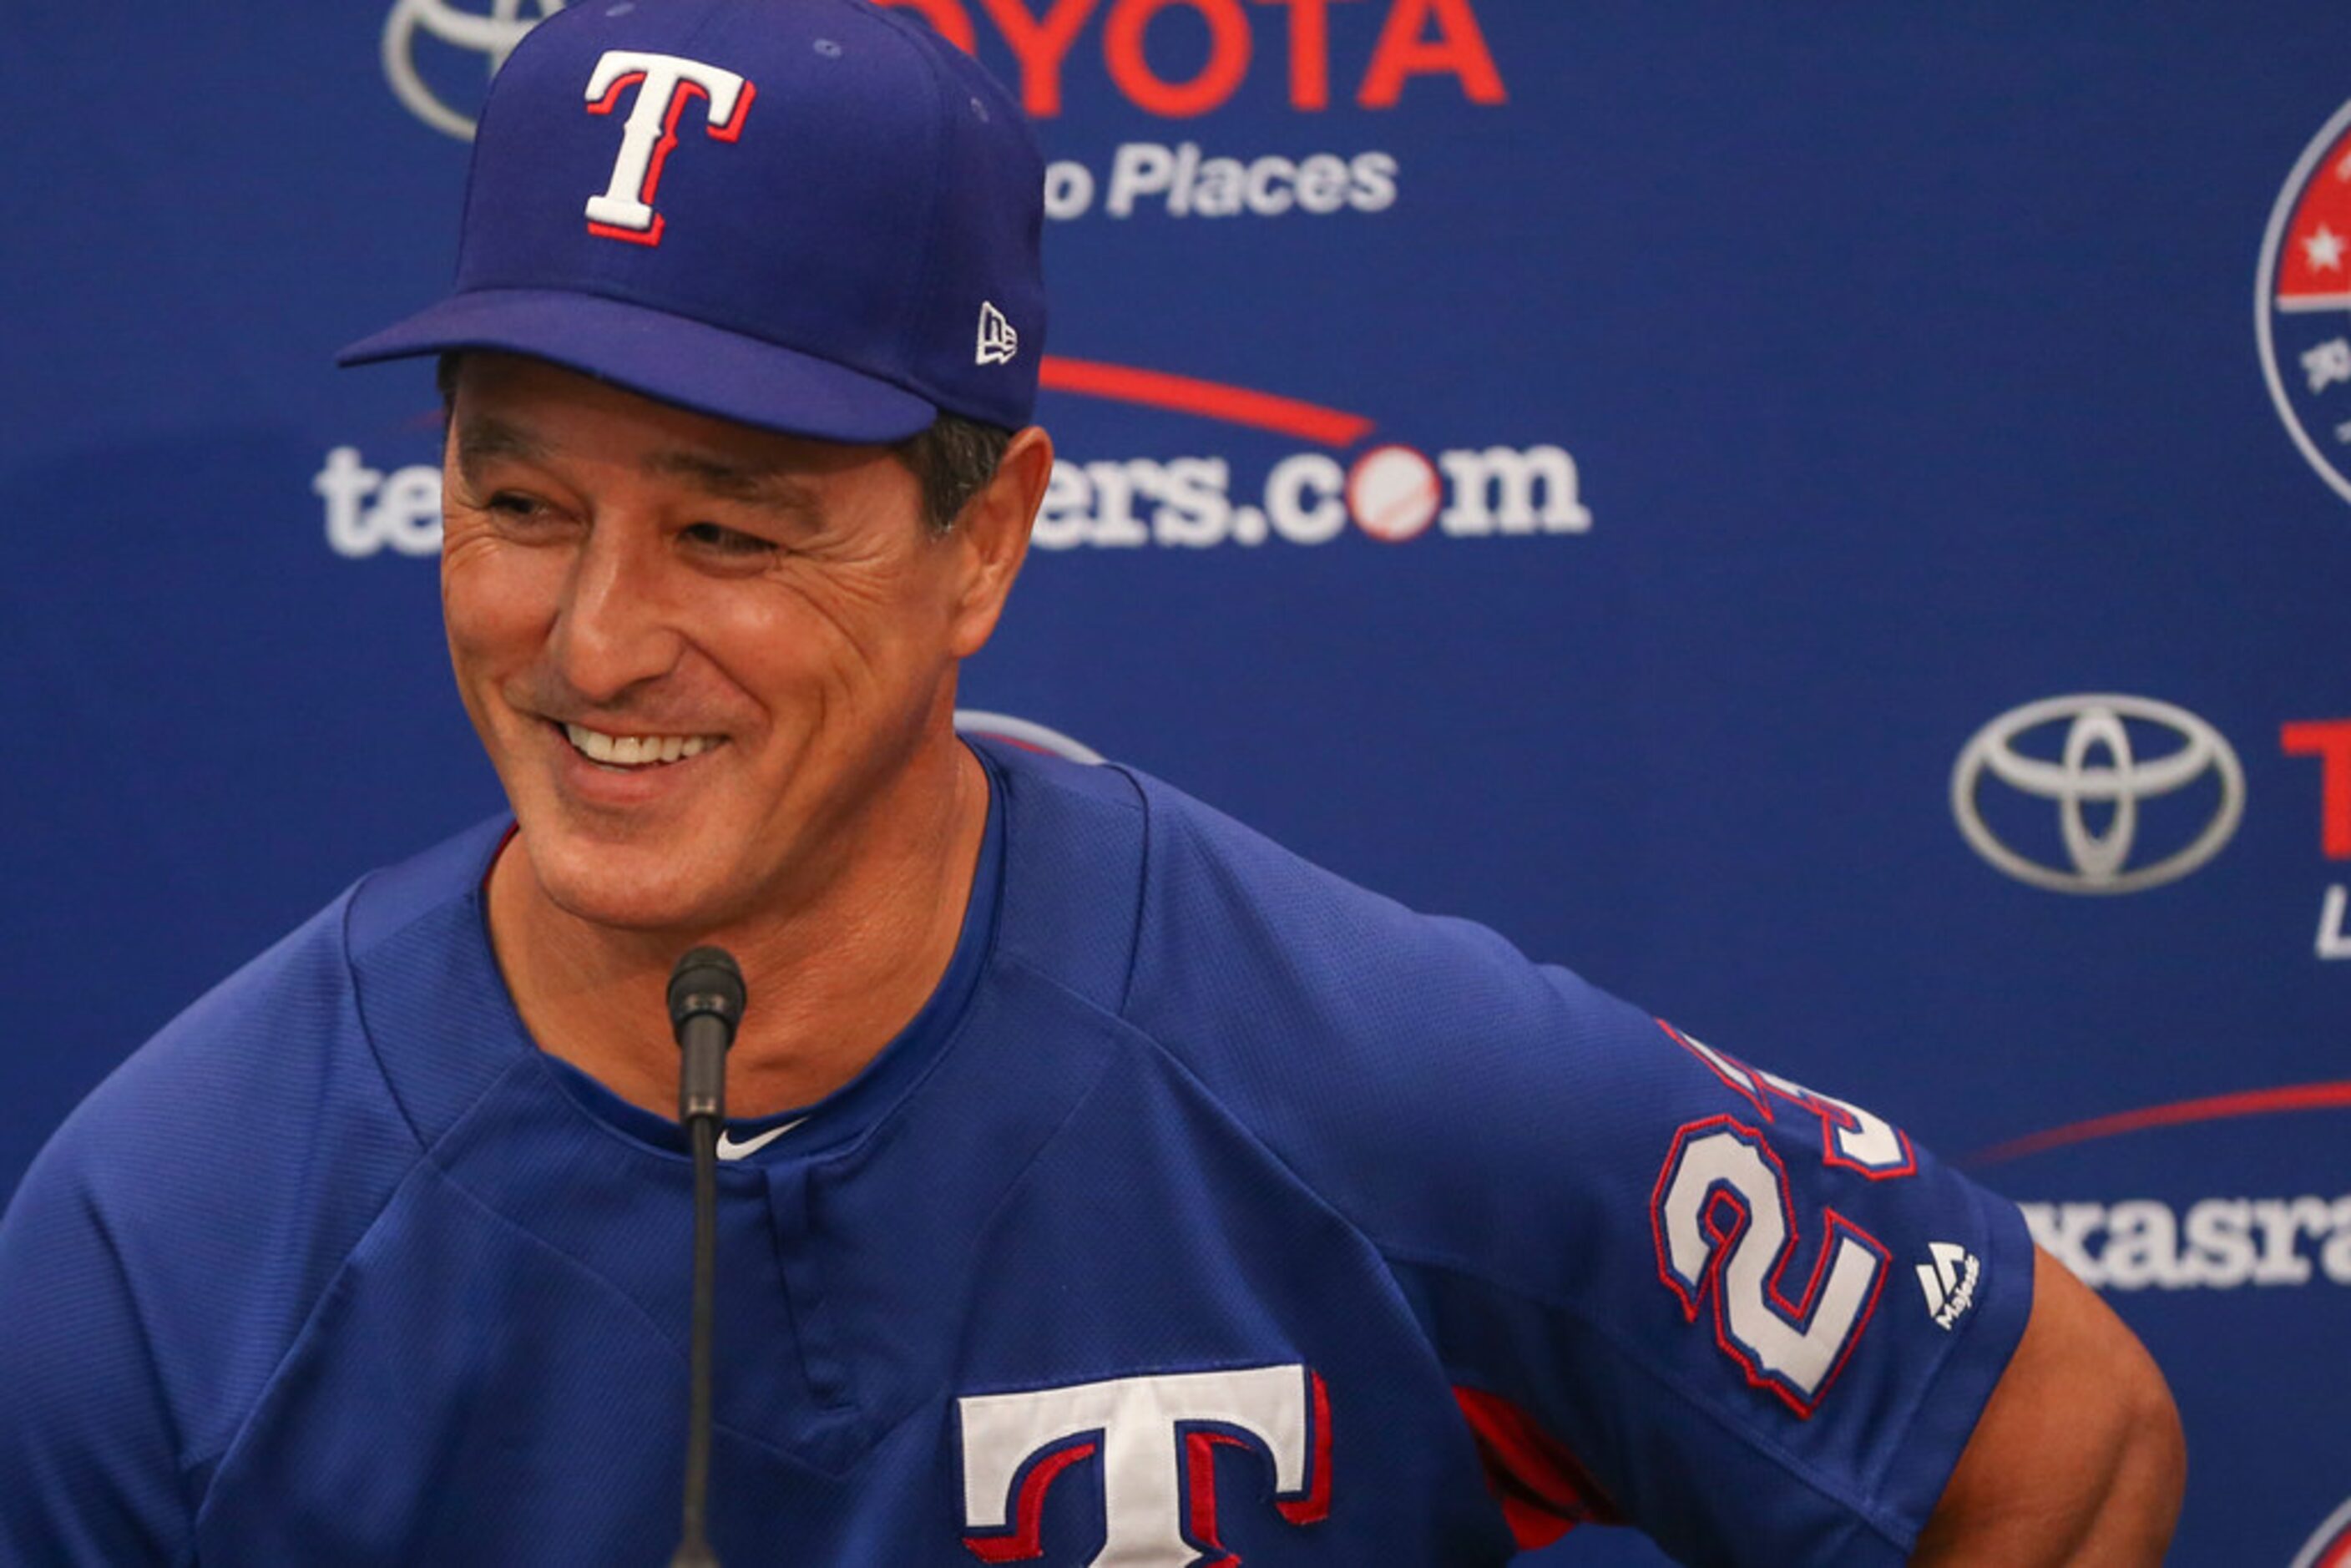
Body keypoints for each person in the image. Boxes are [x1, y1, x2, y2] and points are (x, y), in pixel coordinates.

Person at [0, 1, 2182, 1562]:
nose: (592, 643)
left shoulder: (1368, 1079)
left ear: (987, 541)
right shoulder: (164, 1250)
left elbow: (2050, 1444)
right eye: (518, 503)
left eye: (731, 528)